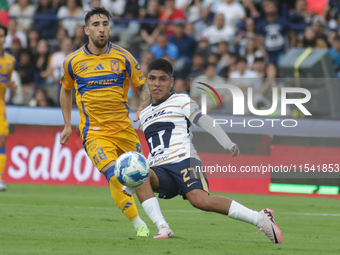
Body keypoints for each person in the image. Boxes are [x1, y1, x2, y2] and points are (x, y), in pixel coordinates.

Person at [131, 58, 283, 244]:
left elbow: (205, 120)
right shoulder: (145, 114)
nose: (157, 83)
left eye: (162, 79)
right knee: (141, 175)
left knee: (201, 201)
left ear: (171, 82)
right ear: (147, 80)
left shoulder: (181, 100)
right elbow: (154, 148)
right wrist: (134, 177)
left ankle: (262, 219)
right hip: (160, 168)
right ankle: (163, 227)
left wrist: (227, 143)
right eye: (152, 78)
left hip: (184, 160)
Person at [59, 6, 171, 238]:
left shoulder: (124, 56)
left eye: (105, 24)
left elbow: (143, 87)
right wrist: (68, 124)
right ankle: (139, 224)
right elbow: (65, 90)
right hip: (95, 133)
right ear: (86, 30)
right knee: (115, 175)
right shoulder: (73, 61)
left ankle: (162, 226)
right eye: (97, 25)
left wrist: (141, 107)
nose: (102, 29)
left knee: (140, 177)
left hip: (124, 129)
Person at [0, 25, 17, 190]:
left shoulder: (10, 61)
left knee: (2, 138)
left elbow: (7, 79)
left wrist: (12, 86)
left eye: (1, 36)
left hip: (0, 104)